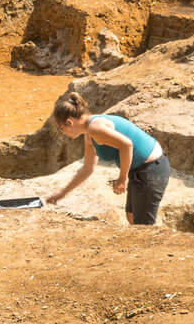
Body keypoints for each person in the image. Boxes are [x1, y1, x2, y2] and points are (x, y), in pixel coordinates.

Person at [46, 92, 170, 225]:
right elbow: (87, 168)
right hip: (140, 170)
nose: (63, 134)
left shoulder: (95, 128)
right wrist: (63, 193)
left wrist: (122, 178)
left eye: (61, 129)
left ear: (69, 122)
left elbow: (126, 144)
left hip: (151, 170)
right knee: (131, 217)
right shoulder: (89, 133)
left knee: (143, 227)